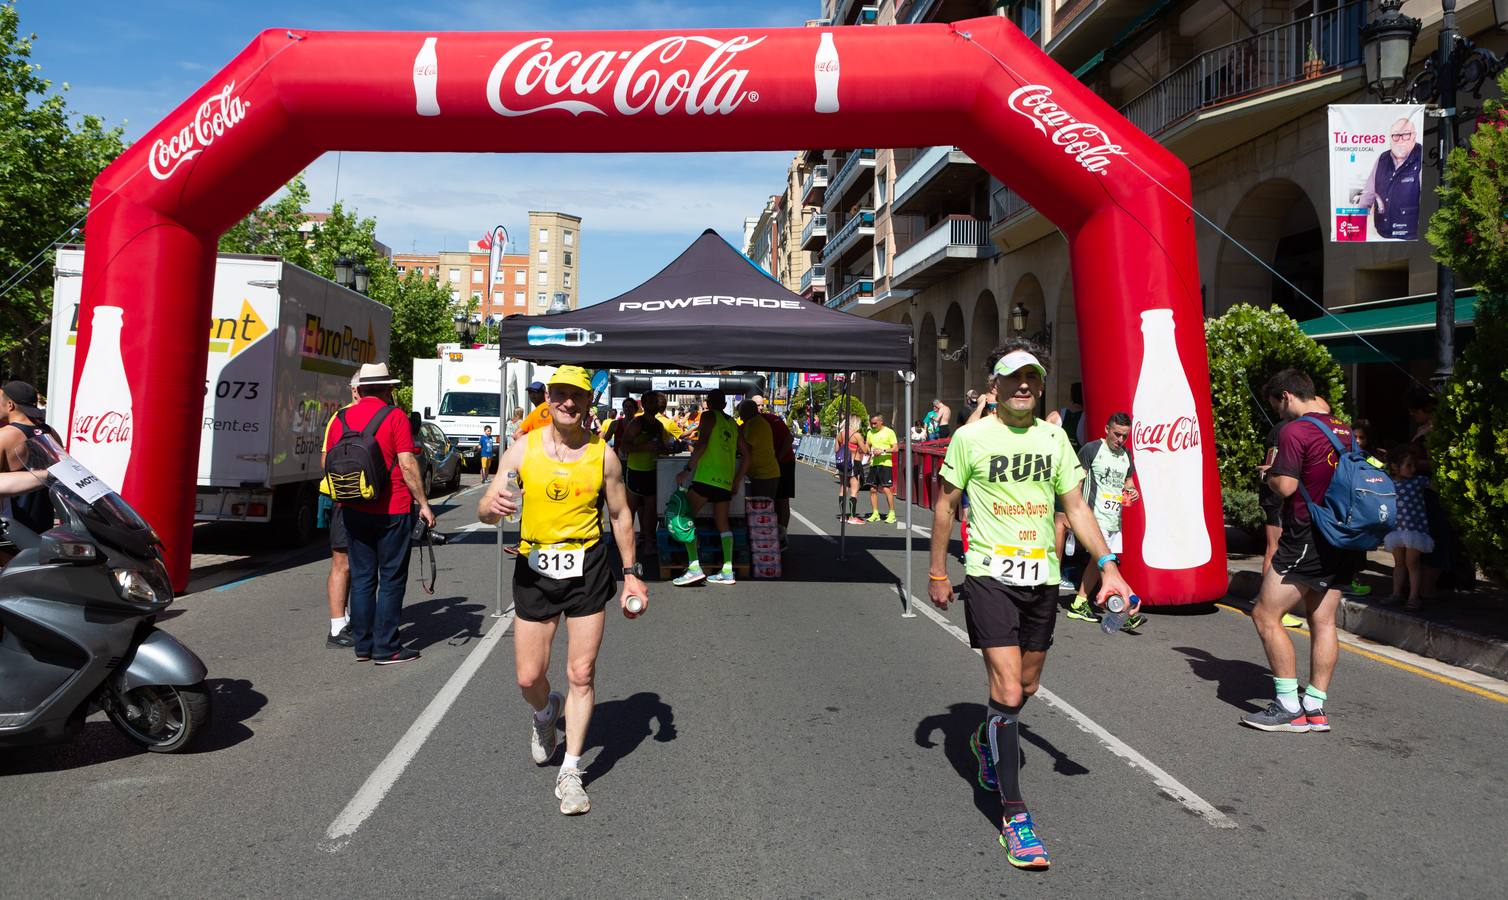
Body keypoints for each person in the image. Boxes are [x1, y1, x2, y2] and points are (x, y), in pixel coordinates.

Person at [927, 341, 1136, 870]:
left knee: (1029, 687)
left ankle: (985, 735)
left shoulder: (1055, 438)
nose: (1023, 385)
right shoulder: (970, 437)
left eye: (1032, 378)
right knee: (1008, 687)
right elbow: (946, 504)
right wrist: (935, 571)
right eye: (1013, 377)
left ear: (1040, 386)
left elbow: (1077, 507)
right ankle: (1015, 818)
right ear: (994, 385)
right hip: (989, 577)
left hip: (1041, 579)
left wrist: (1108, 567)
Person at [478, 365, 647, 816]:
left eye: (578, 395)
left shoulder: (603, 455)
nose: (568, 402)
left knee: (581, 673)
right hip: (535, 569)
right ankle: (544, 713)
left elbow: (620, 515)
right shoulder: (522, 450)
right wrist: (490, 508)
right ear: (548, 397)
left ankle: (571, 771)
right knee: (529, 678)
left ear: (590, 402)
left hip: (588, 567)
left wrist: (630, 572)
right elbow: (486, 510)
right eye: (560, 394)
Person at [1243, 368, 1360, 733]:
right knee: (1322, 621)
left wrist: (1267, 474)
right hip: (1342, 535)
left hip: (1306, 535)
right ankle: (1315, 706)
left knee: (1264, 615)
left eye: (1276, 405)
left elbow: (1288, 486)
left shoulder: (1295, 431)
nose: (1278, 413)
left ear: (1287, 397)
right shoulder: (1343, 429)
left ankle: (1288, 704)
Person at [323, 362, 436, 665]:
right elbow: (408, 464)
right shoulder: (394, 416)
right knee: (391, 578)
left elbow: (328, 461)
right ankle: (387, 647)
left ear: (359, 389)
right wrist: (423, 503)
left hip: (352, 507)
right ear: (389, 388)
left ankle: (363, 644)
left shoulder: (341, 419)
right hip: (392, 508)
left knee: (361, 578)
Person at [1064, 412, 1142, 629]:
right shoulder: (1092, 449)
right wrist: (1074, 514)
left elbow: (1128, 482)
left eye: (1125, 436)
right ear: (1107, 430)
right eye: (1117, 434)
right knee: (1105, 563)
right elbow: (1076, 483)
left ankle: (1080, 602)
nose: (1120, 440)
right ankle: (1124, 609)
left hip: (1114, 520)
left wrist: (1132, 491)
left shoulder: (1126, 455)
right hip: (1094, 518)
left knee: (1101, 562)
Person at [673, 391, 750, 586]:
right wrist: (737, 480)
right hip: (725, 480)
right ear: (724, 404)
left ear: (708, 403)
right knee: (723, 524)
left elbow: (703, 443)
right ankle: (727, 570)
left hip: (706, 477)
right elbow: (748, 455)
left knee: (684, 518)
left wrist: (687, 469)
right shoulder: (733, 423)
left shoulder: (708, 416)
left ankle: (694, 567)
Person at [318, 371, 362, 648]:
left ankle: (347, 622)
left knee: (354, 563)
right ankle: (339, 626)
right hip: (350, 498)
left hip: (352, 498)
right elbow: (326, 459)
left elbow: (325, 460)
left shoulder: (343, 416)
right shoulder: (343, 417)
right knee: (346, 562)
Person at [620, 391, 679, 554]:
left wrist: (667, 449)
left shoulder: (659, 425)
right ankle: (625, 545)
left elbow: (661, 447)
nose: (657, 405)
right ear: (645, 405)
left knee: (650, 511)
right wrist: (644, 448)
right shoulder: (636, 423)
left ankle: (648, 543)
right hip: (636, 472)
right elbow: (624, 446)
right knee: (629, 510)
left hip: (653, 472)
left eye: (658, 402)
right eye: (653, 402)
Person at [0, 381, 59, 530]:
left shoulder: (5, 436)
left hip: (12, 531)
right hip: (44, 524)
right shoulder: (51, 432)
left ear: (10, 405)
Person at [1384, 444, 1435, 611]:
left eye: (1414, 465)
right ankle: (1396, 593)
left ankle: (1413, 596)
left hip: (1414, 530)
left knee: (1412, 563)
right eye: (1408, 465)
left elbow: (1436, 487)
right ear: (1394, 466)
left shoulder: (1419, 481)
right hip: (1396, 530)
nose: (1413, 469)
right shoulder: (1389, 483)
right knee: (1399, 563)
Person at [1357, 117, 1422, 241]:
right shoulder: (1382, 158)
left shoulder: (1420, 157)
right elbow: (1368, 194)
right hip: (1381, 232)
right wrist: (1357, 223)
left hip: (1408, 235)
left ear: (1414, 136)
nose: (1400, 140)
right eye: (1396, 136)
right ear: (1390, 138)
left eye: (1406, 135)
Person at [737, 399, 781, 501]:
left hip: (765, 476)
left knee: (762, 510)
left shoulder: (755, 424)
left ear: (747, 412)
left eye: (741, 414)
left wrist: (738, 435)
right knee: (758, 509)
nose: (740, 417)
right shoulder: (753, 423)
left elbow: (746, 449)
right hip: (760, 474)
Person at [864, 413, 898, 523]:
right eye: (871, 423)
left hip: (885, 464)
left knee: (886, 488)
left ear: (881, 422)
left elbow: (895, 448)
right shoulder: (870, 432)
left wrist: (882, 451)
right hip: (874, 463)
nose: (873, 425)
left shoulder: (889, 432)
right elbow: (867, 446)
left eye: (875, 423)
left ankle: (892, 513)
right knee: (873, 489)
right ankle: (875, 513)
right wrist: (867, 450)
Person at [836, 414, 869, 525]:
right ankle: (852, 517)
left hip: (842, 464)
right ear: (856, 423)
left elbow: (836, 449)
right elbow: (865, 450)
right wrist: (866, 445)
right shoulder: (857, 435)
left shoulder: (840, 434)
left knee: (843, 488)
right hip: (854, 463)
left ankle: (842, 516)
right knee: (854, 490)